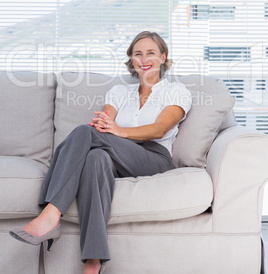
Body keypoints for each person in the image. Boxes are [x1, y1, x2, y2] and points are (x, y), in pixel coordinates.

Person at [9, 31, 192, 274]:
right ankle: (93, 261)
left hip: (153, 158)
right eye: (138, 53)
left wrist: (120, 131)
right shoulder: (119, 93)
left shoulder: (176, 91)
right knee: (95, 156)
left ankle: (51, 213)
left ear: (163, 57)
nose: (144, 58)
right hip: (115, 155)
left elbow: (159, 129)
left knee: (85, 133)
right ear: (131, 60)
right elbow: (102, 126)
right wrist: (110, 130)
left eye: (150, 52)